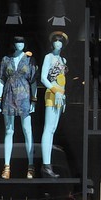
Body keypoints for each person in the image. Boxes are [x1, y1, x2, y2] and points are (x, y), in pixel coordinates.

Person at [0, 35, 37, 177]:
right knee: (9, 130)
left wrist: (34, 100)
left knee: (27, 130)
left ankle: (30, 166)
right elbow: (1, 79)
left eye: (22, 42)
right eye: (17, 42)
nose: (20, 45)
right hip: (8, 96)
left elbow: (33, 81)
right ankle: (6, 167)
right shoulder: (6, 60)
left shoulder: (30, 60)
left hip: (24, 97)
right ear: (13, 44)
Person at [38, 30, 67, 177]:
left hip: (60, 96)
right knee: (48, 128)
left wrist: (63, 95)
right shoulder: (48, 57)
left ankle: (48, 164)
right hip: (52, 94)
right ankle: (46, 165)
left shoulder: (63, 61)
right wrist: (55, 91)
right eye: (56, 40)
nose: (58, 43)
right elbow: (43, 78)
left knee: (53, 129)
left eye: (60, 41)